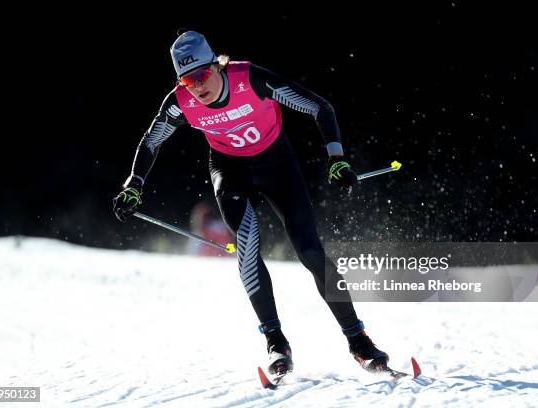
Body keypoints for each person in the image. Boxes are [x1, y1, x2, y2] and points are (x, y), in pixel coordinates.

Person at [113, 31, 388, 375]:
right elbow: (151, 141)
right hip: (230, 170)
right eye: (187, 79)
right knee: (246, 243)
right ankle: (276, 343)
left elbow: (320, 107)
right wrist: (133, 184)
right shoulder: (180, 101)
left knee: (311, 252)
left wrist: (336, 157)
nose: (197, 86)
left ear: (216, 65)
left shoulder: (250, 79)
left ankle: (358, 340)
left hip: (277, 165)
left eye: (201, 75)